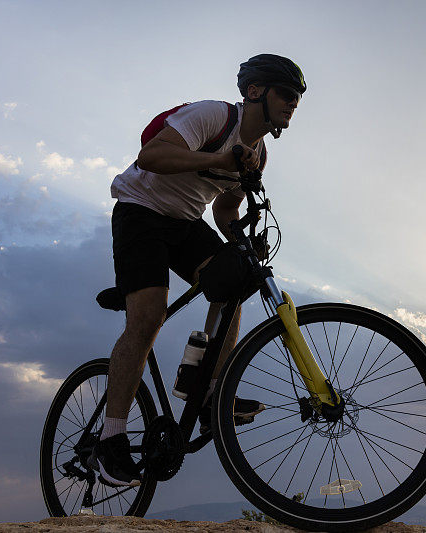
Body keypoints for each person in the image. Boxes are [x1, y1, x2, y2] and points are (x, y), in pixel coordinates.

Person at [88, 54, 306, 487]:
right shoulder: (214, 117)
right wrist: (222, 163)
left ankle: (207, 391)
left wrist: (241, 242)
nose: (293, 103)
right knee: (149, 315)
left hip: (186, 224)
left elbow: (225, 209)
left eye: (298, 99)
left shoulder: (256, 156)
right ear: (256, 91)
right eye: (286, 93)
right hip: (140, 212)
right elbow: (151, 155)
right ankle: (109, 441)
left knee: (236, 281)